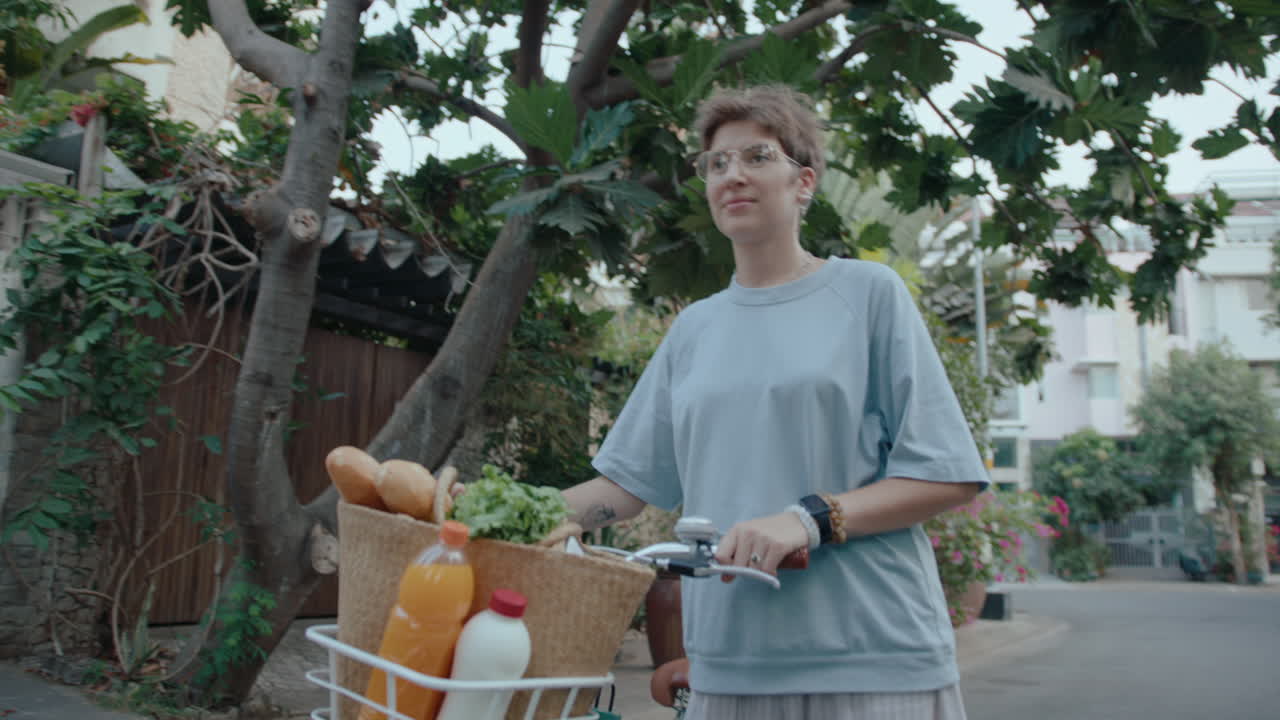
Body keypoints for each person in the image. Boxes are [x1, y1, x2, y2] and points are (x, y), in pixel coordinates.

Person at [563, 84, 988, 720]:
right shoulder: (695, 329)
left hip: (874, 656)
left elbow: (947, 474)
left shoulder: (868, 293)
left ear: (803, 182)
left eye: (757, 156)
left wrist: (809, 518)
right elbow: (624, 487)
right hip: (729, 666)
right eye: (717, 163)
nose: (732, 174)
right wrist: (502, 513)